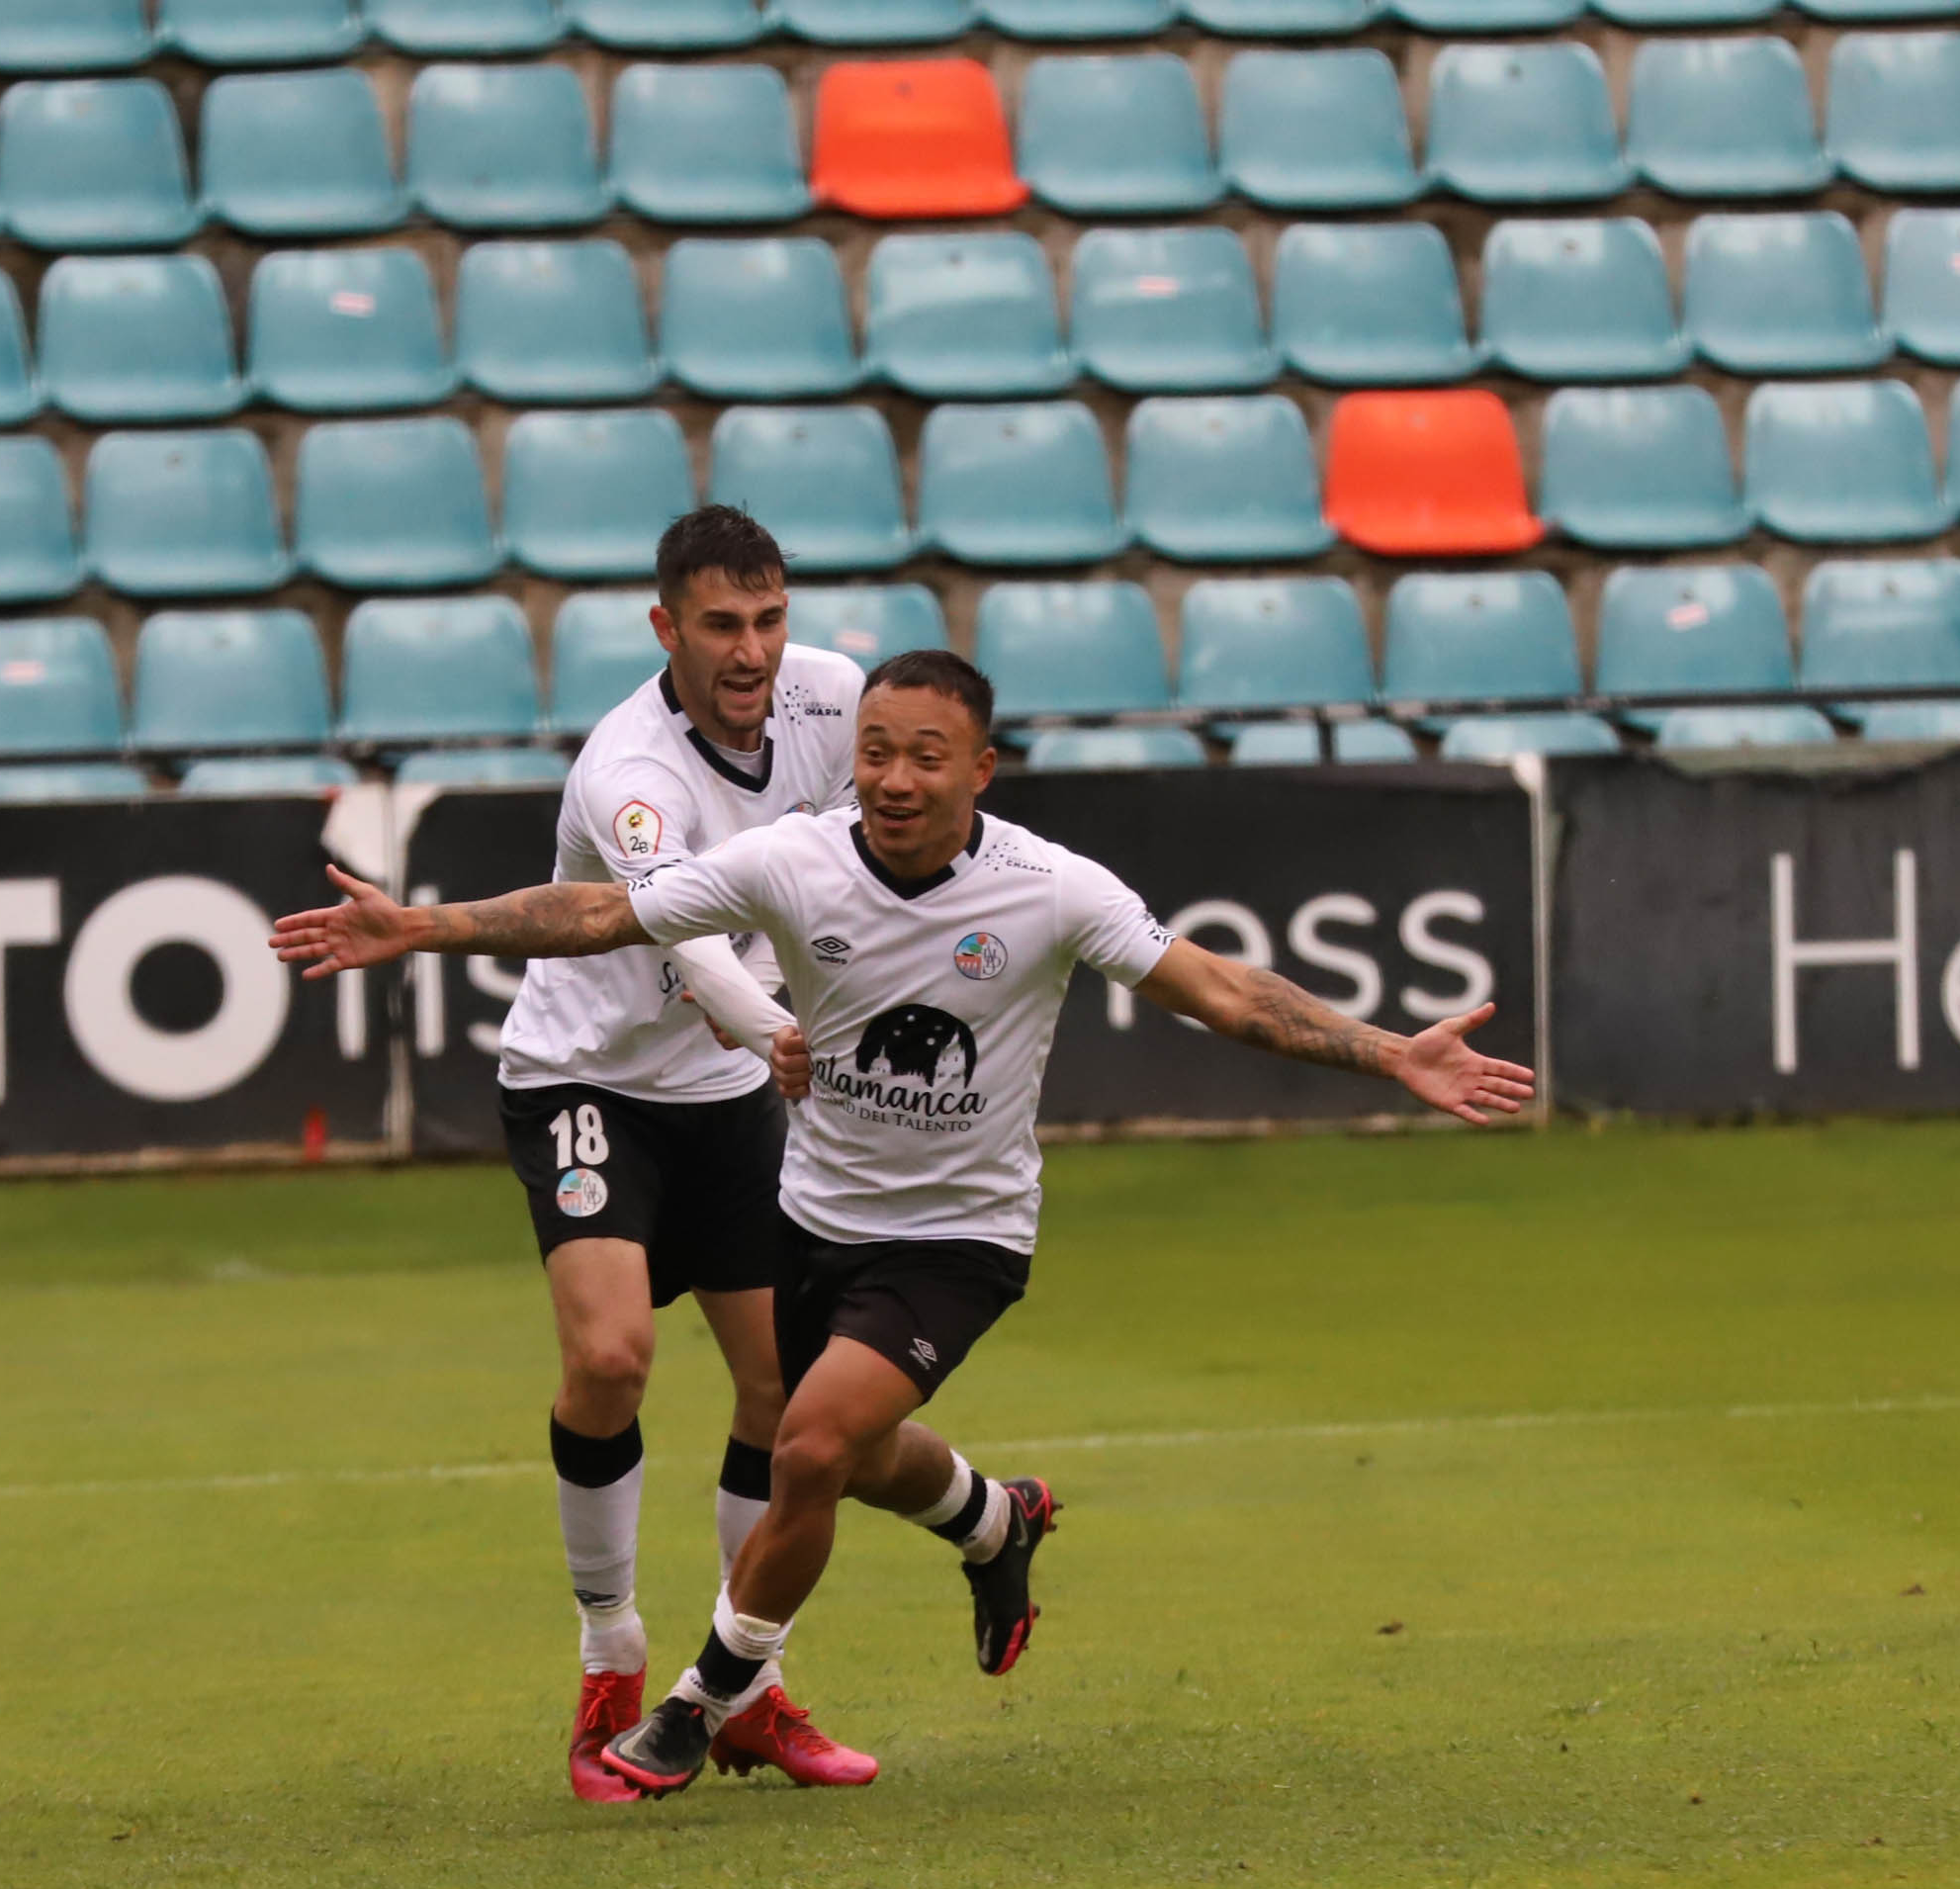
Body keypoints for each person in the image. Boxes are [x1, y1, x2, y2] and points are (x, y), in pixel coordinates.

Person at [273, 650, 1534, 1798]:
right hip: (815, 1219)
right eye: (874, 749)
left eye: (927, 755)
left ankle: (702, 1701)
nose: (892, 776)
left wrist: (1387, 1054)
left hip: (960, 1242)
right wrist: (423, 925)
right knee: (858, 1459)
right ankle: (995, 1516)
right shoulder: (797, 859)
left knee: (809, 1446)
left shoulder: (1048, 887)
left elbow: (1217, 986)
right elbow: (606, 910)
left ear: (980, 768)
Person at [481, 506, 878, 1801]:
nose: (750, 649)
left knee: (786, 1393)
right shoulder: (630, 771)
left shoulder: (831, 701)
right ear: (666, 629)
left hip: (728, 1092)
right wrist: (779, 1026)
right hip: (586, 1077)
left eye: (767, 619)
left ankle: (743, 1692)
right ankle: (609, 1656)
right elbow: (684, 941)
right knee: (610, 1355)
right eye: (720, 625)